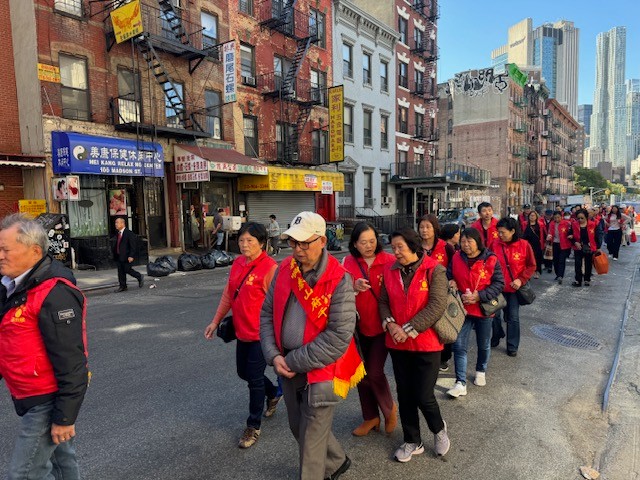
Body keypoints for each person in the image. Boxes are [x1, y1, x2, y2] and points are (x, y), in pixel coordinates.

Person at [260, 211, 360, 480]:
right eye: (293, 242)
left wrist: (291, 362)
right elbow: (267, 313)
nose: (298, 249)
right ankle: (337, 461)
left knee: (310, 443)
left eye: (305, 243)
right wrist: (273, 355)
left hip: (321, 370)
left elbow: (338, 337)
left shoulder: (340, 279)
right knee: (297, 427)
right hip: (287, 364)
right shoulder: (284, 270)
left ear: (322, 241)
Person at [0, 213, 89, 479]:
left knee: (24, 474)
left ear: (34, 251)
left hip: (47, 399)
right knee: (64, 465)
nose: (0, 255)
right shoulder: (11, 287)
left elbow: (73, 362)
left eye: (5, 249)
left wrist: (65, 417)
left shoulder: (55, 293)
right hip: (27, 393)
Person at [378, 227, 451, 462]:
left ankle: (438, 430)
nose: (395, 252)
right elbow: (383, 300)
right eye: (393, 247)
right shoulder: (390, 271)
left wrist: (407, 330)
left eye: (400, 247)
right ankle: (412, 440)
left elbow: (437, 305)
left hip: (427, 344)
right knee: (405, 394)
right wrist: (390, 325)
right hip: (398, 345)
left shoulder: (434, 269)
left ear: (414, 246)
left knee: (423, 394)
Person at [204, 222, 280, 448]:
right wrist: (215, 320)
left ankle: (253, 426)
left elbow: (277, 305)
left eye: (250, 241)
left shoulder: (269, 268)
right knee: (243, 373)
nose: (244, 245)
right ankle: (274, 392)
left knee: (254, 380)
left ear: (262, 243)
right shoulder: (237, 263)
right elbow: (229, 295)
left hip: (261, 334)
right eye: (242, 240)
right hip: (241, 331)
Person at [343, 222, 397, 437]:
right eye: (363, 242)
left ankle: (389, 408)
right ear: (355, 244)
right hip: (356, 327)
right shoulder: (348, 262)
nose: (368, 246)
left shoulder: (389, 261)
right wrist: (352, 287)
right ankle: (370, 417)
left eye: (372, 241)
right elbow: (338, 291)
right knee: (361, 374)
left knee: (374, 371)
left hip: (382, 326)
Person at [446, 227, 504, 397]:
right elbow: (449, 274)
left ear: (477, 242)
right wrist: (451, 281)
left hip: (483, 309)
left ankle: (481, 370)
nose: (465, 245)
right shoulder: (457, 257)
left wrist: (480, 296)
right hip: (463, 309)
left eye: (469, 241)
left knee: (483, 343)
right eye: (462, 241)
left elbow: (499, 283)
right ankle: (460, 382)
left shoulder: (491, 259)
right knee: (459, 345)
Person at [493, 217, 536, 357]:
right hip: (497, 288)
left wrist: (521, 279)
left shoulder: (524, 245)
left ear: (512, 231)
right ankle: (496, 336)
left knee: (513, 317)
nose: (500, 235)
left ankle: (512, 346)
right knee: (493, 315)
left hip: (513, 289)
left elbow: (531, 265)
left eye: (503, 232)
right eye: (498, 232)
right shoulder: (494, 245)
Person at [111, 217, 143, 292]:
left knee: (127, 269)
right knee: (120, 271)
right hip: (119, 255)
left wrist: (131, 255)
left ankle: (139, 276)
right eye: (115, 223)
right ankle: (123, 286)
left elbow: (133, 245)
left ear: (122, 223)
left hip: (126, 256)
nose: (115, 224)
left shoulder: (129, 233)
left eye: (117, 223)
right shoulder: (118, 233)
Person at [571, 209, 598, 287]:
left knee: (588, 264)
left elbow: (597, 236)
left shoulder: (593, 224)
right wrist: (575, 242)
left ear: (586, 217)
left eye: (582, 218)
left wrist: (597, 247)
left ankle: (587, 279)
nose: (580, 220)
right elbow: (569, 235)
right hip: (578, 247)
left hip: (589, 247)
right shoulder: (574, 224)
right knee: (578, 264)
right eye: (578, 218)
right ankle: (578, 280)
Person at [546, 211, 572, 284]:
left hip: (564, 244)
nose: (557, 219)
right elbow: (550, 232)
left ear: (561, 217)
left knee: (561, 260)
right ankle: (557, 274)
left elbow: (570, 232)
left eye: (558, 217)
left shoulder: (566, 223)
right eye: (555, 218)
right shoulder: (552, 224)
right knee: (556, 260)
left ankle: (560, 275)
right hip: (554, 244)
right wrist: (549, 237)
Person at [522, 210, 546, 278]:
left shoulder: (540, 224)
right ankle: (527, 272)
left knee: (537, 258)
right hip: (528, 243)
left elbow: (544, 233)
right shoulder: (525, 224)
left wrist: (545, 242)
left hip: (537, 244)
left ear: (536, 216)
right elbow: (522, 233)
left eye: (533, 215)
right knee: (527, 258)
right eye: (531, 216)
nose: (532, 217)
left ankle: (536, 272)